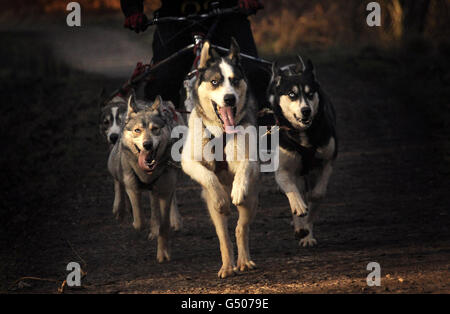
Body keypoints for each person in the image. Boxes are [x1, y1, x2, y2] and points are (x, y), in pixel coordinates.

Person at [120, 0, 268, 108]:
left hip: (227, 12)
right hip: (174, 15)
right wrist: (133, 11)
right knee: (162, 81)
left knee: (255, 74)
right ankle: (163, 139)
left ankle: (268, 138)